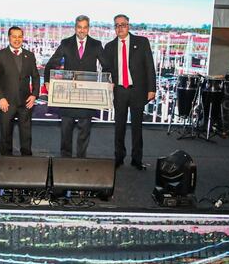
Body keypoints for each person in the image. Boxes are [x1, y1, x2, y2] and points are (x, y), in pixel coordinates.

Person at [44, 15, 107, 158]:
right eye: (79, 27)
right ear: (75, 28)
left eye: (85, 27)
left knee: (85, 129)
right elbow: (52, 63)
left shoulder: (96, 44)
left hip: (87, 94)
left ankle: (81, 159)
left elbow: (106, 65)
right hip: (69, 93)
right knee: (66, 128)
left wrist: (108, 82)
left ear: (88, 28)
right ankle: (65, 159)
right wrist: (47, 81)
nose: (82, 30)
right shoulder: (66, 43)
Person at [103, 14, 156, 170]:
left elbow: (149, 66)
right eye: (117, 25)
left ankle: (136, 159)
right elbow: (107, 69)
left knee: (137, 128)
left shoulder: (142, 42)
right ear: (114, 28)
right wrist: (108, 81)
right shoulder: (110, 46)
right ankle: (119, 158)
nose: (120, 28)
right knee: (119, 127)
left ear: (129, 26)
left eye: (123, 24)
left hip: (137, 91)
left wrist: (152, 88)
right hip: (119, 91)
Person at [0, 26, 40, 156]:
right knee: (6, 134)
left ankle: (27, 159)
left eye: (19, 37)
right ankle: (6, 161)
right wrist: (0, 98)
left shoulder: (30, 55)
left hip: (26, 103)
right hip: (7, 102)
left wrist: (34, 95)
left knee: (26, 134)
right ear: (9, 38)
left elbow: (35, 77)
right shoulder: (0, 55)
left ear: (22, 38)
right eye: (14, 36)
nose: (17, 40)